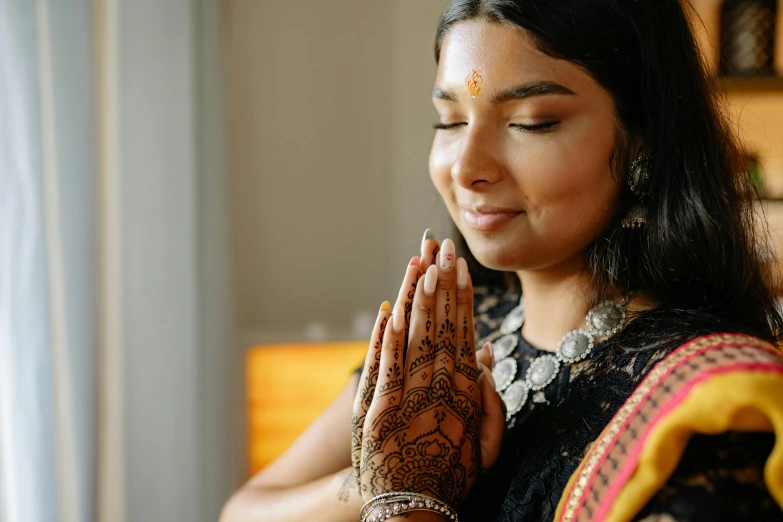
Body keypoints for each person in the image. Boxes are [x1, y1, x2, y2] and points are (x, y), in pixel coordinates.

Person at [220, 1, 783, 521]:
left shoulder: (709, 404)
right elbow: (243, 512)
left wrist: (412, 506)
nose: (466, 166)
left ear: (644, 141)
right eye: (450, 121)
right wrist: (382, 484)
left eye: (532, 122)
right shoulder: (447, 344)